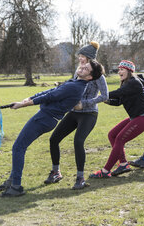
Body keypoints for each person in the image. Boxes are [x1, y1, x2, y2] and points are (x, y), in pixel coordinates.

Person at [0, 60, 104, 197]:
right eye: (83, 65)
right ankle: (11, 181)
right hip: (45, 117)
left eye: (86, 68)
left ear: (89, 77)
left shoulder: (76, 87)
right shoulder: (75, 82)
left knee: (18, 147)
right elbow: (52, 90)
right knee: (19, 146)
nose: (82, 67)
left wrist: (23, 105)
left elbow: (51, 96)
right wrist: (30, 97)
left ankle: (16, 186)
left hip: (44, 118)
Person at [43, 41, 109, 190]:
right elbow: (71, 87)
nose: (80, 59)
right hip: (74, 113)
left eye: (83, 56)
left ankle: (80, 178)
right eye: (79, 56)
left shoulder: (98, 76)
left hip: (89, 114)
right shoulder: (78, 71)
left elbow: (105, 96)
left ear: (90, 58)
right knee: (54, 139)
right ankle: (56, 172)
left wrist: (84, 103)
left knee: (78, 141)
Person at [89, 60, 144, 178]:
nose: (119, 72)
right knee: (112, 134)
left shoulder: (134, 82)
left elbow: (119, 93)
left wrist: (102, 95)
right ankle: (123, 163)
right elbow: (118, 101)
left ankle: (105, 171)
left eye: (122, 69)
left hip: (143, 118)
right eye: (119, 69)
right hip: (135, 117)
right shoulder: (125, 83)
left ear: (129, 71)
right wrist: (105, 100)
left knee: (119, 139)